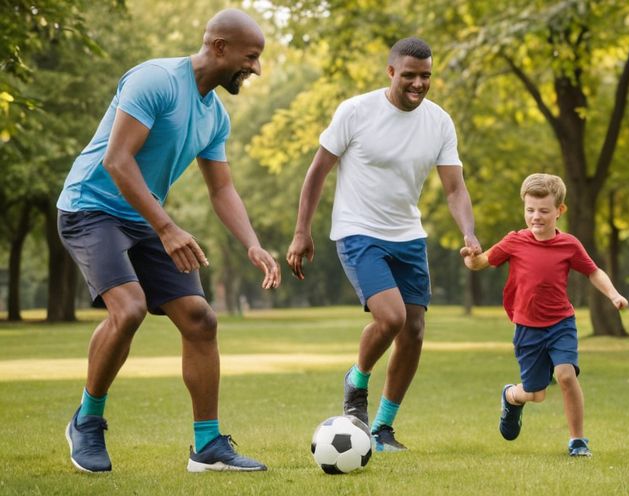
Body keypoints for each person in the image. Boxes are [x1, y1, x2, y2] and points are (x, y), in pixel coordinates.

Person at [56, 8, 280, 473]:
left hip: (140, 216)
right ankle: (88, 421)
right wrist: (167, 227)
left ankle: (208, 446)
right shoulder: (155, 80)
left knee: (200, 319)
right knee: (130, 307)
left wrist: (252, 243)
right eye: (251, 56)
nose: (255, 67)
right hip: (89, 206)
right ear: (219, 47)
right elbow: (118, 162)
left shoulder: (214, 115)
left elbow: (221, 189)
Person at [286, 37, 480, 452]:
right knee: (390, 318)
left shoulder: (440, 122)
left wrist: (469, 231)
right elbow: (317, 172)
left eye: (425, 75)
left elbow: (454, 188)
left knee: (414, 329)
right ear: (391, 72)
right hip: (358, 231)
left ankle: (382, 428)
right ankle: (357, 381)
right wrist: (302, 230)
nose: (418, 83)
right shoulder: (356, 111)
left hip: (409, 234)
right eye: (409, 75)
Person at [460, 173, 627, 457]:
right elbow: (481, 263)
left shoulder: (569, 245)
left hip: (561, 322)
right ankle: (512, 396)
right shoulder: (514, 241)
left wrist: (613, 294)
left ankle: (578, 441)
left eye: (544, 211)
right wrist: (470, 257)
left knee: (565, 375)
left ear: (559, 211)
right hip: (527, 327)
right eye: (530, 210)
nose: (536, 217)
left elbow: (593, 271)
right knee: (536, 394)